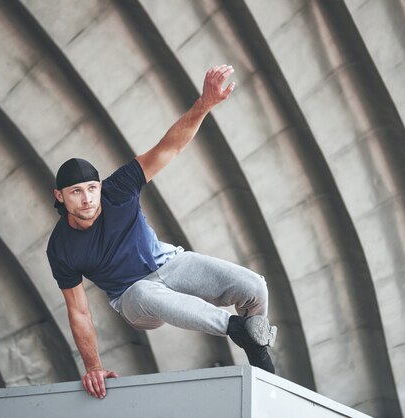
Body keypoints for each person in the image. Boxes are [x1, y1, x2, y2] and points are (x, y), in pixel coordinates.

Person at [47, 65, 277, 399]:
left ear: (100, 186)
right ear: (60, 196)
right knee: (143, 292)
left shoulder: (119, 189)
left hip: (169, 263)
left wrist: (205, 103)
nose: (87, 199)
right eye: (76, 192)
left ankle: (258, 351)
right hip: (132, 299)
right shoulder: (61, 248)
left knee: (253, 287)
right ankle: (236, 328)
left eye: (91, 188)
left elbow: (169, 148)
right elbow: (79, 310)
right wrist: (93, 366)